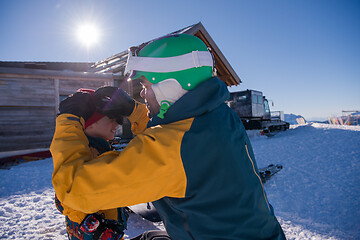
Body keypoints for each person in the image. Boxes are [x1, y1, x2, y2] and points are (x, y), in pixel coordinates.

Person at [51, 34, 286, 239]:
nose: (142, 94)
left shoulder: (174, 148)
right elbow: (164, 136)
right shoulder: (219, 116)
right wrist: (134, 110)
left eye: (144, 85)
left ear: (171, 85)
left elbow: (73, 189)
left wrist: (69, 120)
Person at [54, 89, 129, 240]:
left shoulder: (103, 149)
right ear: (89, 123)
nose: (116, 123)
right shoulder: (85, 154)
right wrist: (90, 224)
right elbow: (62, 197)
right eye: (111, 118)